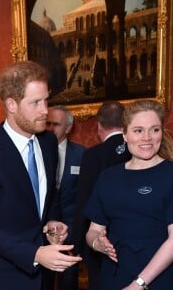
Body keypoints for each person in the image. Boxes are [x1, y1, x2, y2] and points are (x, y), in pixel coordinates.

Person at [0, 61, 82, 290]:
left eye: (46, 100)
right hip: (4, 276)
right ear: (11, 104)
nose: (45, 110)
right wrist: (36, 253)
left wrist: (52, 222)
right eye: (35, 102)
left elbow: (48, 197)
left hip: (45, 276)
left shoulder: (48, 142)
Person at [84, 99, 173, 289]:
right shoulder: (108, 177)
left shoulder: (170, 175)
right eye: (138, 130)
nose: (147, 137)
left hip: (159, 278)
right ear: (125, 134)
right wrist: (97, 244)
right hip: (114, 277)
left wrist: (139, 284)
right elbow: (93, 230)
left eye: (154, 130)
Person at [72, 100, 131, 290]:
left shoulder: (92, 155)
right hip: (133, 237)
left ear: (99, 126)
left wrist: (78, 243)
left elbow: (84, 200)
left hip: (98, 238)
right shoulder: (137, 150)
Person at [46, 105, 85, 290]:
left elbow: (85, 194)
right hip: (42, 229)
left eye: (56, 124)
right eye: (48, 123)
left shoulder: (82, 155)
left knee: (68, 280)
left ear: (68, 128)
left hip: (71, 230)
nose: (50, 128)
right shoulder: (34, 151)